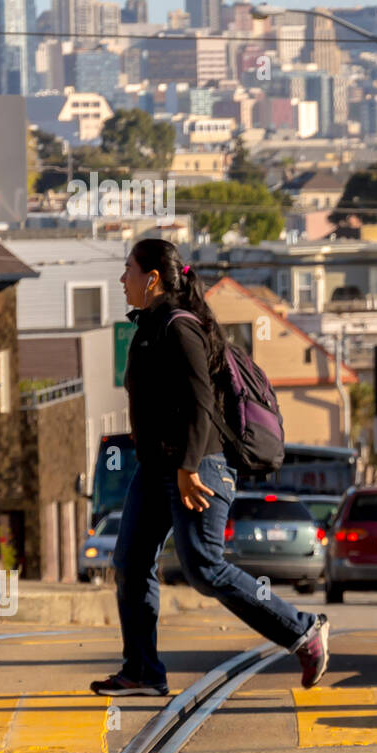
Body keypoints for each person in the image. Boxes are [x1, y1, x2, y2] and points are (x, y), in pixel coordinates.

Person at [91, 239, 329, 697]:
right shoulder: (148, 327)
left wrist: (187, 467)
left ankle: (302, 631)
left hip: (198, 465)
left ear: (153, 278)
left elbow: (201, 404)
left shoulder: (181, 329)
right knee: (130, 561)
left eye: (128, 270)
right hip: (155, 466)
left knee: (204, 567)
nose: (123, 279)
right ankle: (142, 671)